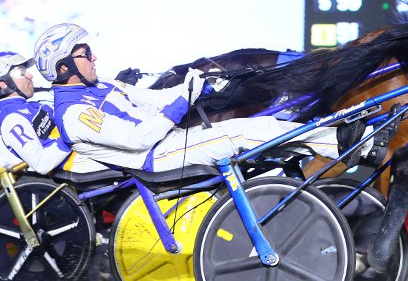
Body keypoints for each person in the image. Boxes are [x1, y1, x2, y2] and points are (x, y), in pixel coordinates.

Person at [33, 24, 365, 172]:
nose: (94, 58)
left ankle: (335, 142)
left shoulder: (102, 86)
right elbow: (136, 139)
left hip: (170, 143)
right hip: (155, 158)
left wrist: (197, 85)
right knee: (245, 132)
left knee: (260, 128)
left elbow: (153, 101)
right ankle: (348, 145)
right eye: (85, 53)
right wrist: (181, 103)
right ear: (64, 67)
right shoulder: (74, 113)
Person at [0, 51, 76, 173]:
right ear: (3, 84)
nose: (30, 76)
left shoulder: (34, 106)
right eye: (21, 72)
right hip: (72, 166)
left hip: (78, 154)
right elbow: (42, 164)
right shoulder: (11, 119)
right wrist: (73, 134)